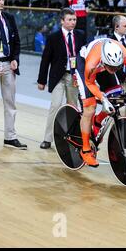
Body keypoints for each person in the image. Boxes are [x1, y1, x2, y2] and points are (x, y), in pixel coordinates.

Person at [75, 38, 126, 167]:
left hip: (103, 66)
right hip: (85, 64)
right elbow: (89, 83)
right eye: (111, 67)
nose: (114, 69)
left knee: (116, 99)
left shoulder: (124, 53)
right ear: (104, 61)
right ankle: (85, 149)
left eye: (117, 67)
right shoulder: (92, 62)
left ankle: (98, 121)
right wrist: (103, 99)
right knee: (90, 108)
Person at [37, 8, 85, 149]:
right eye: (69, 20)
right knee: (55, 105)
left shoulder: (80, 35)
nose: (72, 22)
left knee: (72, 107)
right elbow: (45, 60)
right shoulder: (53, 37)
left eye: (74, 19)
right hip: (58, 76)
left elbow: (84, 57)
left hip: (74, 76)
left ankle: (70, 136)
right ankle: (47, 138)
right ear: (62, 21)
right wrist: (41, 80)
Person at [0, 0, 27, 149]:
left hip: (8, 65)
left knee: (10, 103)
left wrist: (15, 59)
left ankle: (10, 137)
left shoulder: (9, 18)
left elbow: (16, 42)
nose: (2, 2)